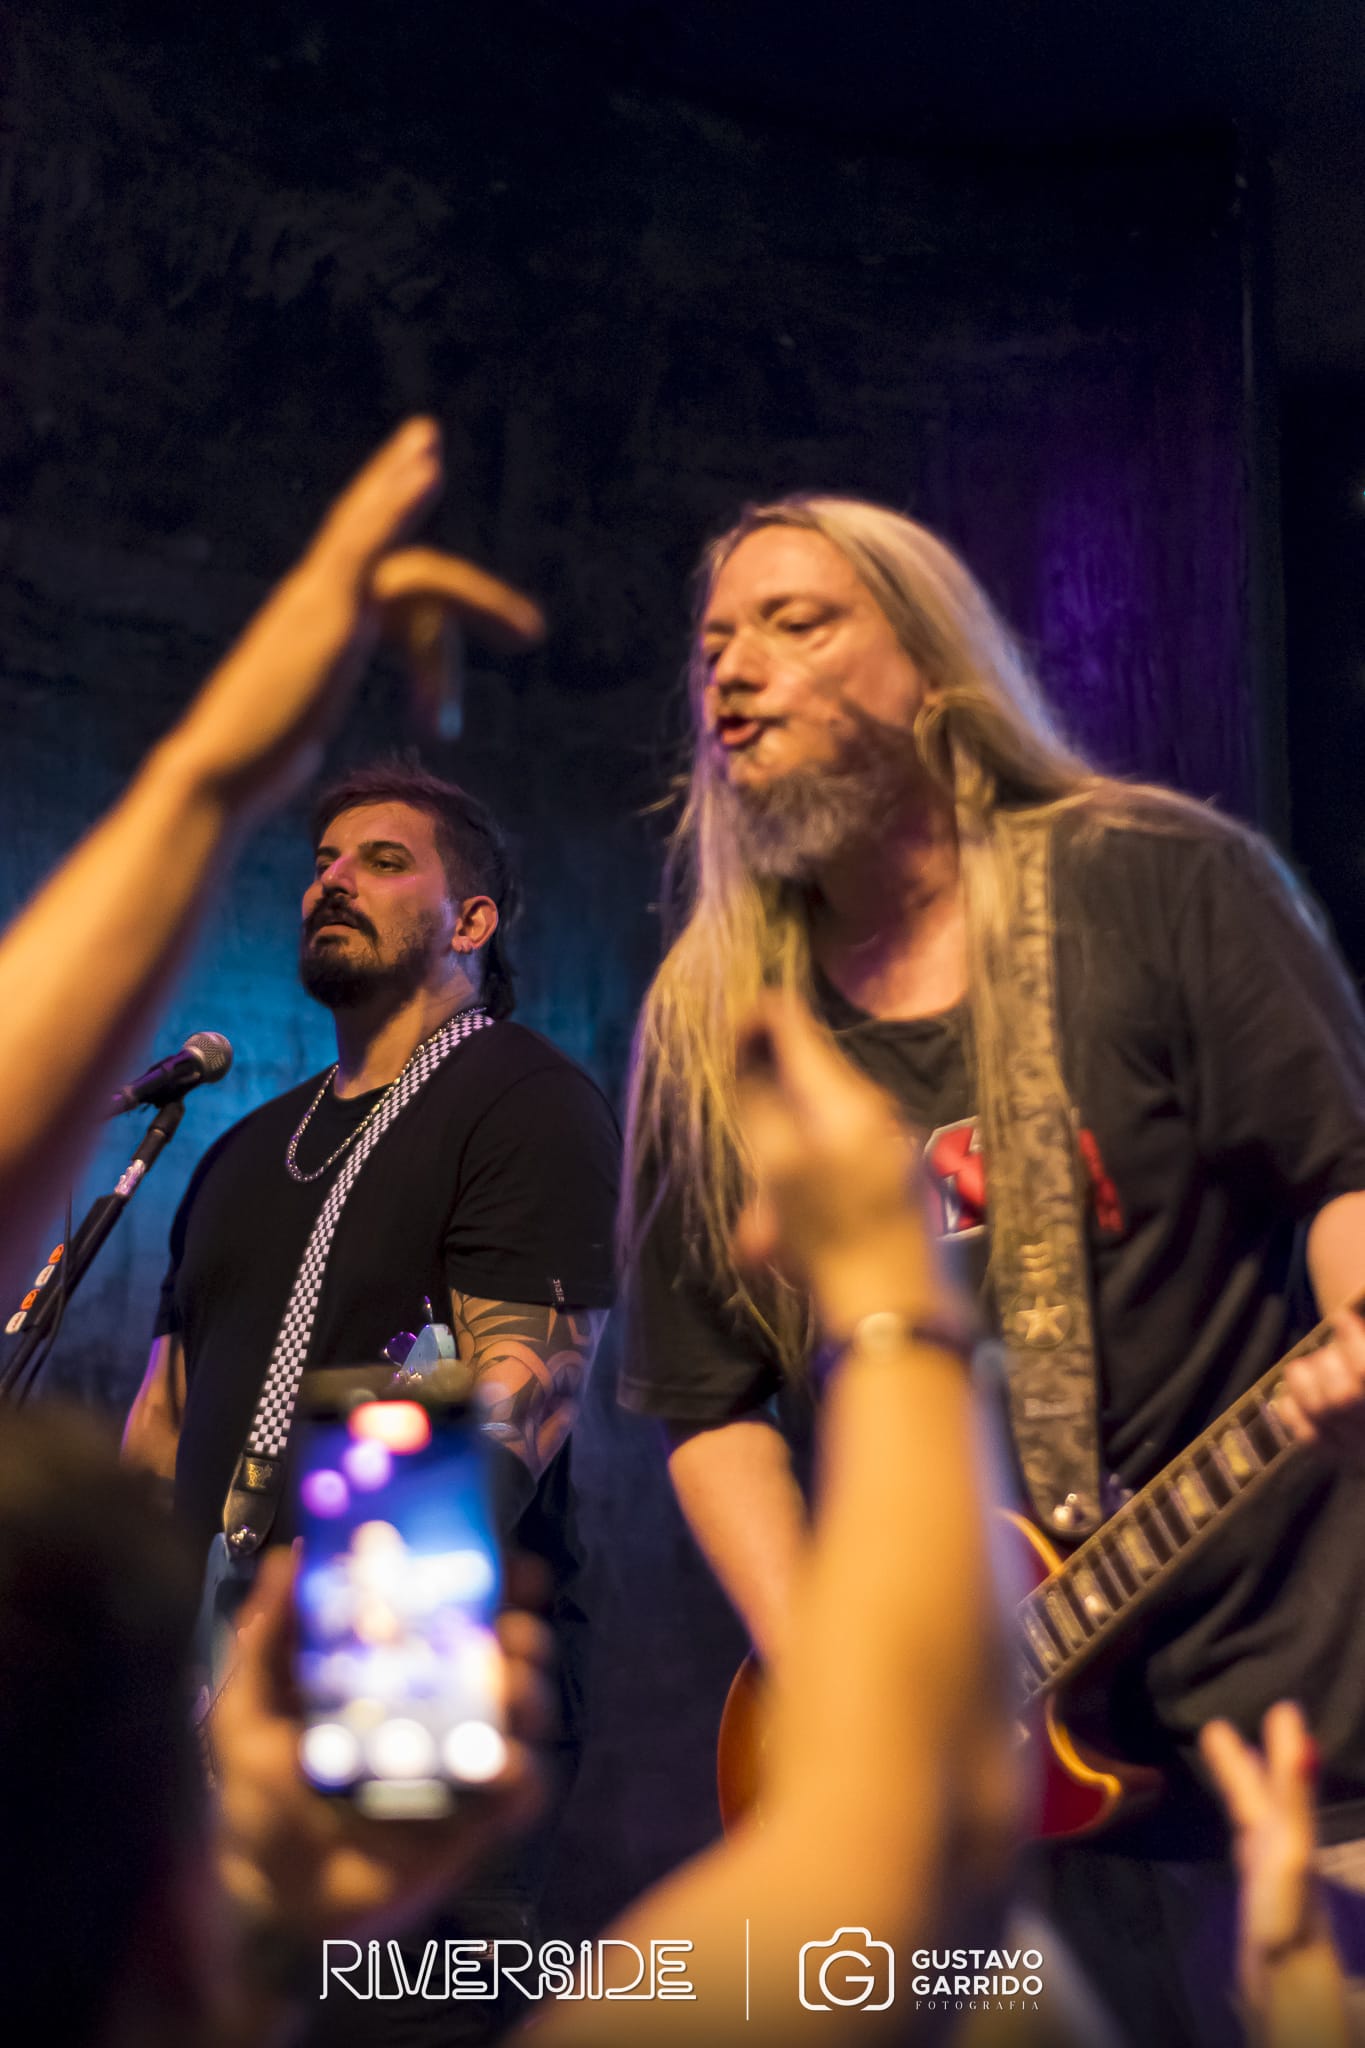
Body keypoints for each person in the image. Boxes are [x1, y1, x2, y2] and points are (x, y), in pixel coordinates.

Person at [618, 491, 1365, 2045]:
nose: (733, 668)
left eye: (796, 623)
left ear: (933, 669)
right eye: (713, 644)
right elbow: (706, 1401)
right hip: (975, 1813)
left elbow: (1339, 1176)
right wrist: (836, 1677)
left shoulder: (1156, 880)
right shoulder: (712, 1016)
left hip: (1295, 1729)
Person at [121, 756, 620, 2045]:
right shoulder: (242, 1149)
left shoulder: (524, 1104)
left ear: (472, 920)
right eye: (324, 861)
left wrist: (301, 1628)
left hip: (407, 1700)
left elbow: (521, 1404)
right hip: (198, 1708)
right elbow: (162, 1425)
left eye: (384, 861)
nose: (332, 879)